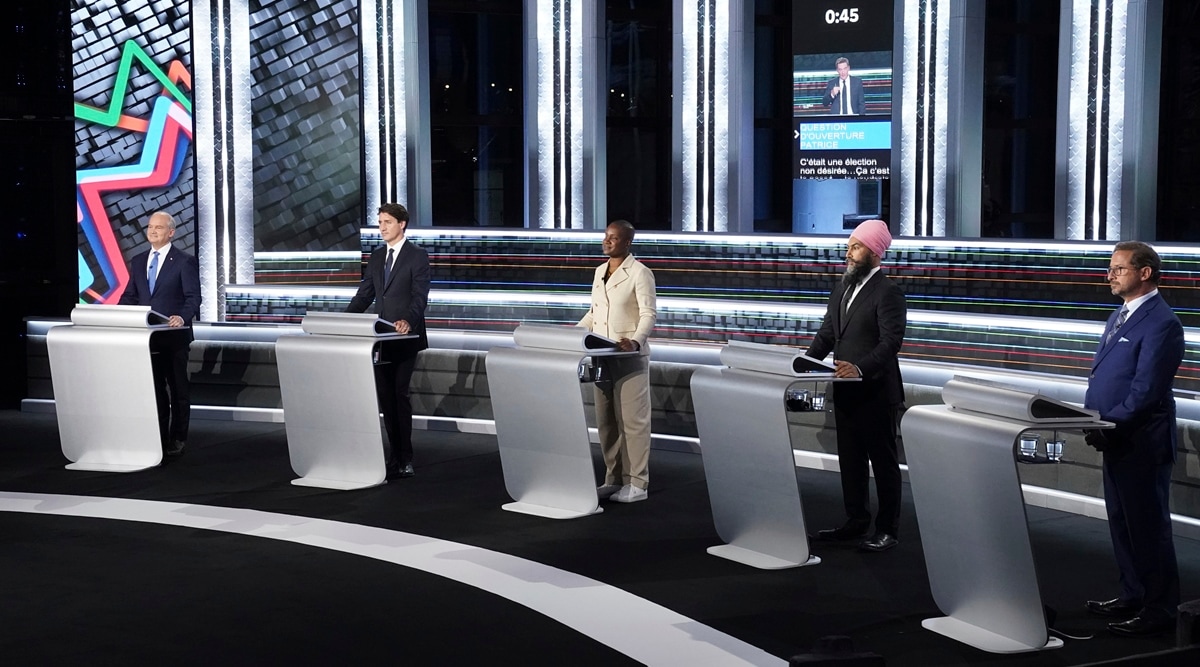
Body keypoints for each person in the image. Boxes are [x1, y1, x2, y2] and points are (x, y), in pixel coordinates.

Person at [1083, 241, 1183, 637]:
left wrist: (1111, 424)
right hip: (1115, 436)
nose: (1110, 275)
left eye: (1118, 268)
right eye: (1111, 268)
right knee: (1122, 523)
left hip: (1141, 441)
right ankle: (1133, 593)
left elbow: (1146, 390)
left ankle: (1160, 607)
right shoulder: (1119, 315)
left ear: (1145, 273)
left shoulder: (1163, 322)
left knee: (1148, 527)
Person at [807, 219, 906, 552]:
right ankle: (855, 521)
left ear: (874, 252)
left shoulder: (888, 292)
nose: (848, 253)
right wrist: (801, 364)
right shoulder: (843, 287)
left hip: (876, 392)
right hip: (845, 390)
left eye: (856, 246)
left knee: (883, 462)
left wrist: (859, 369)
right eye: (849, 246)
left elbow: (891, 342)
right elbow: (826, 335)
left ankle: (887, 528)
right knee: (850, 461)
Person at [347, 203, 431, 480]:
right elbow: (364, 296)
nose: (382, 227)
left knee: (399, 395)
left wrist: (408, 319)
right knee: (385, 400)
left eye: (387, 222)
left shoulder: (417, 256)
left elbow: (420, 297)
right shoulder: (376, 256)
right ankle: (393, 456)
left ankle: (405, 458)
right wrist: (343, 320)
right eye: (380, 222)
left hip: (406, 338)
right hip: (380, 340)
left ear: (402, 224)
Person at [578, 220, 657, 503]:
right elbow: (594, 312)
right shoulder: (600, 271)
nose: (607, 241)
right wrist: (573, 335)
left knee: (633, 422)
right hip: (602, 355)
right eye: (606, 236)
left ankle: (637, 482)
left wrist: (635, 340)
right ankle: (614, 477)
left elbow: (648, 313)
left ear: (627, 242)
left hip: (628, 356)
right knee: (606, 421)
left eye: (613, 238)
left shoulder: (640, 273)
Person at [118, 211, 201, 459]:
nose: (153, 231)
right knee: (154, 390)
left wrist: (182, 317)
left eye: (159, 227)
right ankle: (157, 436)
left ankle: (178, 438)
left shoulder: (184, 261)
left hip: (174, 337)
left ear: (171, 232)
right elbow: (130, 296)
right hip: (146, 338)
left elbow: (194, 298)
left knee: (177, 390)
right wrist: (117, 314)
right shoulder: (138, 260)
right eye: (150, 227)